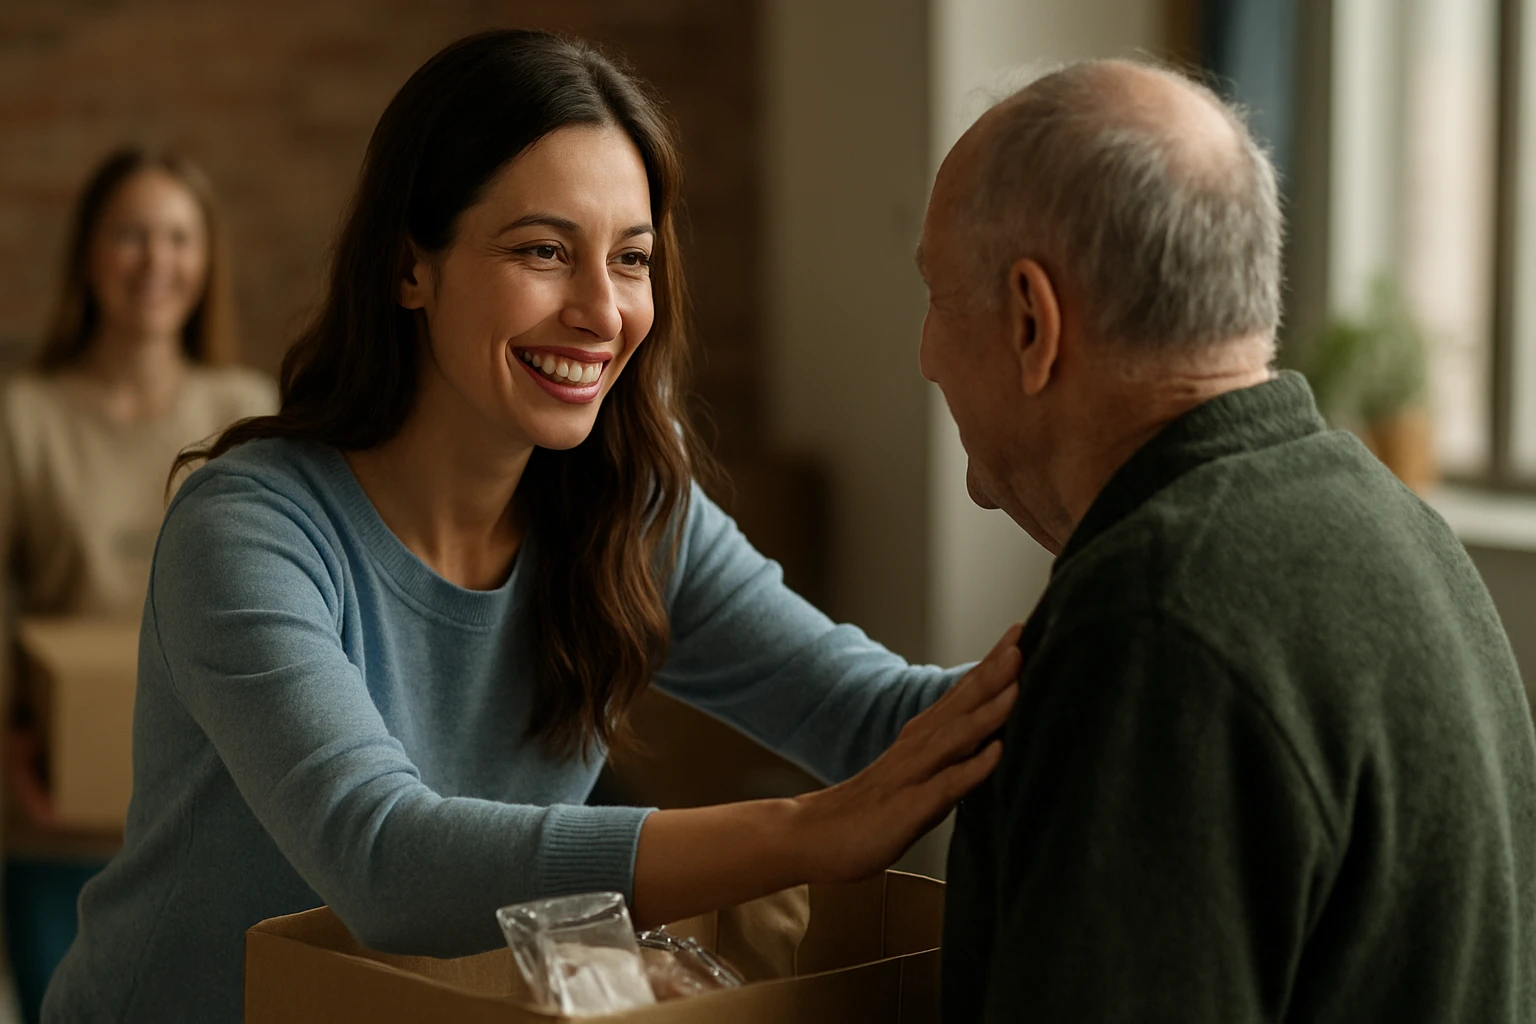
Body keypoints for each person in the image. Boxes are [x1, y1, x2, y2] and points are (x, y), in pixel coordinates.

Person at [43, 31, 1020, 1023]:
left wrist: (1112, 624)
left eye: (631, 258)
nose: (602, 310)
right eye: (543, 250)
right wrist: (805, 829)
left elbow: (885, 721)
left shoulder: (629, 503)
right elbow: (385, 859)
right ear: (408, 267)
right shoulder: (250, 529)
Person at [919, 59, 1536, 1022]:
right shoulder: (1397, 526)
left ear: (1034, 322)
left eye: (938, 299)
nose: (924, 354)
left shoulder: (1154, 619)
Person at [0, 148, 276, 1022]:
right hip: (60, 806)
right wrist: (9, 739)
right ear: (89, 252)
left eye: (178, 238)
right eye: (131, 235)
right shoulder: (25, 416)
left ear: (206, 261)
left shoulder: (246, 409)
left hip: (216, 818)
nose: (156, 262)